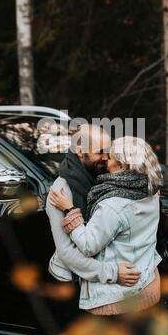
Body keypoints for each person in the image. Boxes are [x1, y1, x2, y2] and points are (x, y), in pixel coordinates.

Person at [49, 136, 163, 315]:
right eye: (100, 153)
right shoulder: (151, 191)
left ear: (123, 166)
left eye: (109, 157)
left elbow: (88, 245)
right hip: (146, 281)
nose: (105, 160)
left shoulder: (113, 205)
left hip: (116, 298)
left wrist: (69, 209)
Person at [46, 124, 141, 296]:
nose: (106, 157)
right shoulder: (61, 191)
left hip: (99, 281)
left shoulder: (102, 176)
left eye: (108, 151)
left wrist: (149, 190)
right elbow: (67, 253)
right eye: (99, 152)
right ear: (81, 151)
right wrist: (113, 273)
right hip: (70, 283)